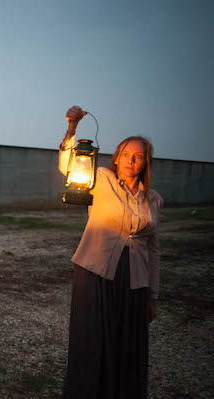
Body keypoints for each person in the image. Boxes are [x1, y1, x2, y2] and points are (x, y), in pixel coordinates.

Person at [59, 106, 163, 399]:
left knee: (127, 344)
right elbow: (68, 164)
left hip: (135, 281)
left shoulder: (153, 200)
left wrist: (153, 295)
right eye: (127, 154)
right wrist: (71, 129)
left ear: (145, 162)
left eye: (139, 156)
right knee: (92, 341)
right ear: (116, 158)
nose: (132, 160)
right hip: (96, 273)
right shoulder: (100, 178)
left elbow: (154, 249)